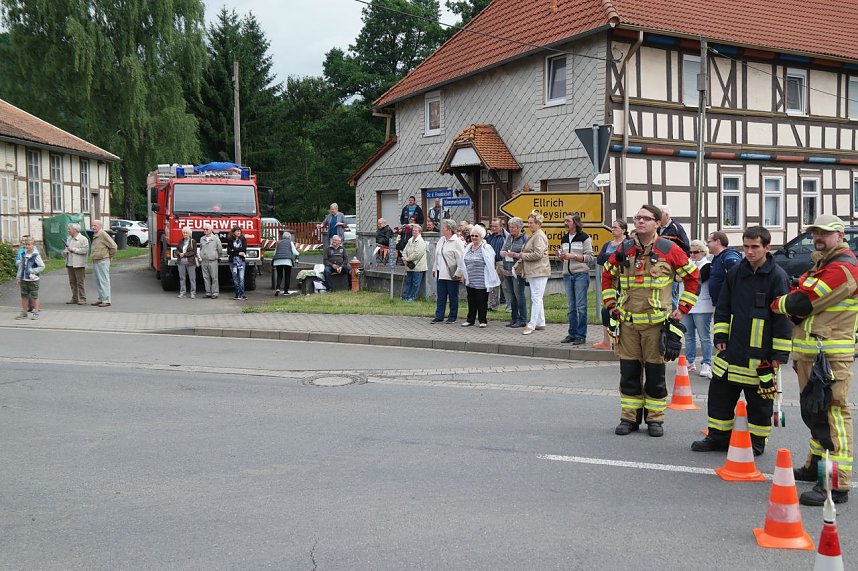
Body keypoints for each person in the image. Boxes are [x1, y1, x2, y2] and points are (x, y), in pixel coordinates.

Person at [771, 214, 857, 506]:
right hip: (813, 353)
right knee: (815, 413)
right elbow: (800, 301)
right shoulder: (823, 265)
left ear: (840, 235)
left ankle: (836, 484)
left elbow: (801, 302)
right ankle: (815, 467)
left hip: (829, 357)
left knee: (832, 416)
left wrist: (780, 303)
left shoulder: (842, 267)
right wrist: (793, 302)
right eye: (815, 232)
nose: (818, 237)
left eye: (825, 233)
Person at [691, 226, 791, 457]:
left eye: (755, 247)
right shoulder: (735, 273)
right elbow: (723, 306)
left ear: (767, 247)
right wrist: (720, 336)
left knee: (760, 403)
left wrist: (779, 354)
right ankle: (718, 437)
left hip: (761, 355)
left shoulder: (777, 277)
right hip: (732, 350)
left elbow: (783, 318)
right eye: (746, 246)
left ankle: (756, 441)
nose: (750, 251)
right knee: (719, 396)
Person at [602, 205, 699, 437]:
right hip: (628, 325)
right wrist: (611, 304)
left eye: (646, 218)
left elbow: (693, 277)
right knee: (629, 373)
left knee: (655, 375)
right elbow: (607, 274)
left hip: (656, 326)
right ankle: (629, 418)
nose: (640, 222)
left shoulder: (669, 249)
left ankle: (655, 419)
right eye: (638, 218)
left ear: (657, 223)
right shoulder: (624, 249)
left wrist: (683, 308)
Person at [557, 214, 593, 345]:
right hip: (567, 275)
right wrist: (561, 256)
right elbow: (565, 258)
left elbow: (590, 257)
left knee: (581, 306)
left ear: (575, 223)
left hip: (580, 275)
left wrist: (573, 256)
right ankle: (572, 333)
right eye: (564, 221)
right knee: (571, 307)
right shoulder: (564, 238)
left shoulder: (585, 237)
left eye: (568, 221)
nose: (565, 223)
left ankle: (581, 335)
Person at [514, 212, 550, 335]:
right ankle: (540, 322)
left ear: (538, 224)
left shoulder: (538, 236)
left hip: (539, 270)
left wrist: (522, 255)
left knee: (536, 298)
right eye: (528, 223)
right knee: (537, 297)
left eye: (531, 223)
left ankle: (532, 324)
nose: (529, 225)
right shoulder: (534, 235)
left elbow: (538, 254)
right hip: (535, 270)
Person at [683, 239, 714, 378]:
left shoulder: (707, 265)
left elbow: (696, 279)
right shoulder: (689, 264)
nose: (692, 254)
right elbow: (678, 277)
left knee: (704, 337)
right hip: (687, 304)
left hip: (702, 306)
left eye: (695, 252)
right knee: (688, 336)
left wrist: (684, 276)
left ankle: (706, 363)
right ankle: (690, 361)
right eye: (690, 252)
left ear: (703, 252)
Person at [595, 220, 628, 349]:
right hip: (608, 280)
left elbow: (622, 259)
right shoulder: (608, 244)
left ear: (623, 230)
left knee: (620, 311)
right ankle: (606, 341)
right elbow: (600, 259)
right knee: (606, 310)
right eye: (612, 227)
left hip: (621, 281)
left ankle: (620, 341)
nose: (613, 230)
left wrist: (609, 257)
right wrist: (613, 257)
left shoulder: (627, 244)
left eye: (615, 227)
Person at [460, 224, 501, 327]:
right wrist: (463, 275)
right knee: (471, 300)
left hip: (482, 279)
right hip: (470, 279)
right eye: (472, 235)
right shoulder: (468, 247)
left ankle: (483, 320)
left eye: (476, 236)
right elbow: (463, 262)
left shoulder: (486, 247)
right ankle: (470, 320)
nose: (474, 238)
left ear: (481, 236)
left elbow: (490, 263)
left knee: (481, 300)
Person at [431, 219, 465, 324]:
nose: (442, 229)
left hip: (451, 273)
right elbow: (437, 255)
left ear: (449, 230)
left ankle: (452, 316)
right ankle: (439, 315)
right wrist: (434, 268)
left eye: (444, 228)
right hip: (440, 272)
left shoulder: (457, 242)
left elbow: (461, 259)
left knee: (453, 295)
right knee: (441, 296)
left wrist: (459, 273)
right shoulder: (441, 240)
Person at [500, 217, 528, 328]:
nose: (511, 229)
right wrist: (503, 253)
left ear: (519, 227)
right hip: (507, 270)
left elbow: (525, 254)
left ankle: (522, 319)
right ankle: (514, 318)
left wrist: (514, 255)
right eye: (510, 227)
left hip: (517, 271)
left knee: (519, 295)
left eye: (513, 227)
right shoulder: (508, 237)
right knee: (511, 296)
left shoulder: (524, 238)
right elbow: (502, 250)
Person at [707, 231, 742, 307]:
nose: (707, 244)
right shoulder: (717, 258)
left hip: (728, 305)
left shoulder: (730, 257)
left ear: (717, 242)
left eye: (709, 242)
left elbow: (738, 279)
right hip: (720, 304)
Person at [15, 238, 44, 320]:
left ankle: (36, 312)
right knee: (24, 296)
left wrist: (33, 271)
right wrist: (18, 278)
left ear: (33, 245)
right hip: (24, 279)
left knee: (34, 296)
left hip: (33, 280)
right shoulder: (23, 254)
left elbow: (42, 266)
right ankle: (24, 312)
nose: (27, 246)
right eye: (26, 245)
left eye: (29, 245)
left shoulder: (36, 255)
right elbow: (21, 267)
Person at [90, 220, 117, 307]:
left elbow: (114, 246)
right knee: (98, 281)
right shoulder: (96, 234)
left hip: (103, 261)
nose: (93, 227)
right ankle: (101, 298)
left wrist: (109, 256)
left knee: (104, 281)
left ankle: (106, 300)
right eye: (92, 225)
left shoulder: (103, 234)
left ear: (100, 226)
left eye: (95, 225)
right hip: (96, 260)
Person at [63, 223, 89, 305]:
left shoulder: (83, 239)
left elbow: (84, 250)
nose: (68, 230)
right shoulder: (69, 239)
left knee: (80, 282)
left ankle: (83, 298)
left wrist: (73, 249)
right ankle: (75, 298)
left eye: (69, 229)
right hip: (69, 263)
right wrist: (65, 252)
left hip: (79, 264)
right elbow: (66, 249)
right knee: (72, 282)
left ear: (75, 230)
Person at [485, 218, 508, 311]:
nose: (493, 228)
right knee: (493, 285)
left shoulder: (505, 236)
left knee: (506, 286)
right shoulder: (490, 237)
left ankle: (509, 307)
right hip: (492, 263)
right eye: (492, 226)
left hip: (502, 262)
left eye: (496, 226)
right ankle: (493, 306)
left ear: (501, 226)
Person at [401, 223, 428, 301]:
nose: (414, 232)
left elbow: (417, 254)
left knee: (415, 283)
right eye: (413, 230)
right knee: (408, 281)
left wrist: (407, 259)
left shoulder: (421, 241)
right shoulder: (410, 240)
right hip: (409, 265)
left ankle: (412, 297)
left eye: (416, 231)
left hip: (418, 266)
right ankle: (405, 296)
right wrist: (404, 257)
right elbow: (405, 250)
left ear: (419, 232)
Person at [198, 224, 222, 298]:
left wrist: (216, 256)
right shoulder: (202, 239)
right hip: (204, 261)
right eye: (204, 229)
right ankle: (208, 292)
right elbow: (201, 248)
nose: (205, 230)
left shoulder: (216, 239)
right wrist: (201, 256)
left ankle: (215, 293)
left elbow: (220, 250)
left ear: (211, 230)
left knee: (214, 277)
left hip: (213, 261)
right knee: (205, 277)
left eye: (207, 229)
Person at [273, 230, 299, 296]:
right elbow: (295, 252)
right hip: (287, 261)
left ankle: (278, 288)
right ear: (289, 237)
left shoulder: (278, 242)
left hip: (277, 260)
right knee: (287, 275)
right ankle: (285, 291)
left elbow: (275, 253)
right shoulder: (290, 242)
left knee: (279, 275)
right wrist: (297, 257)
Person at [16, 235, 39, 312]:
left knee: (33, 294)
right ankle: (26, 310)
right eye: (23, 241)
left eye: (27, 243)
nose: (25, 244)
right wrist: (18, 277)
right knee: (24, 294)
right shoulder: (22, 251)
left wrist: (33, 270)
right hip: (23, 275)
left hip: (32, 276)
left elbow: (40, 265)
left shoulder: (35, 252)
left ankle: (35, 309)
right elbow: (19, 261)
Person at [175, 227, 198, 299]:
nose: (184, 234)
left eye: (186, 233)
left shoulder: (193, 241)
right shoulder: (181, 241)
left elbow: (194, 252)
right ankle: (182, 293)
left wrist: (184, 254)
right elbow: (177, 250)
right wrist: (179, 253)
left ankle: (193, 293)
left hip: (190, 262)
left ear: (189, 234)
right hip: (181, 262)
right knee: (182, 278)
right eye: (184, 233)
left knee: (192, 278)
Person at [227, 227, 248, 300]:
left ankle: (242, 295)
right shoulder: (230, 240)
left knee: (241, 278)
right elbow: (229, 252)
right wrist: (239, 252)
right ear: (233, 233)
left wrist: (234, 250)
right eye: (237, 231)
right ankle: (237, 294)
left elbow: (244, 249)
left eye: (240, 231)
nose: (239, 232)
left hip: (241, 262)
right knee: (235, 279)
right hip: (233, 262)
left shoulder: (243, 239)